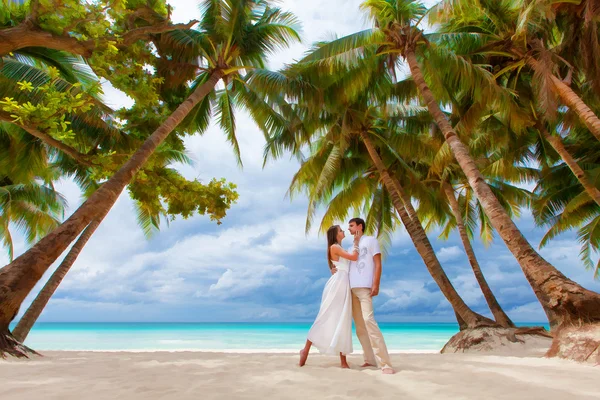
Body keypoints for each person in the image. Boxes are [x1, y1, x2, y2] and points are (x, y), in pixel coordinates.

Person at [299, 225, 362, 369]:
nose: (344, 231)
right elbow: (354, 257)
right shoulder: (335, 247)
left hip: (343, 283)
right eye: (341, 230)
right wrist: (357, 242)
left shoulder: (337, 248)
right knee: (325, 316)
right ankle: (306, 349)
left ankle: (343, 361)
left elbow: (339, 265)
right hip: (338, 285)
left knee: (342, 320)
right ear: (335, 234)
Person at [346, 217, 395, 374]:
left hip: (365, 288)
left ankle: (385, 363)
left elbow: (378, 263)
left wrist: (376, 283)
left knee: (369, 321)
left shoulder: (371, 240)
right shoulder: (350, 246)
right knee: (360, 328)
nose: (349, 229)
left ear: (360, 226)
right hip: (351, 289)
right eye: (348, 227)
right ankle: (369, 359)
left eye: (351, 226)